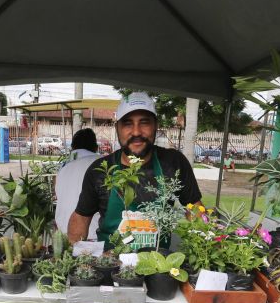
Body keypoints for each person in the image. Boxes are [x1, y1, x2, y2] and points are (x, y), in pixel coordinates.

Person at [68, 92, 202, 244]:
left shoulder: (173, 162)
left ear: (155, 126)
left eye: (144, 122)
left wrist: (206, 243)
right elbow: (81, 218)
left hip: (158, 264)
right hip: (110, 263)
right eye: (127, 123)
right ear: (117, 127)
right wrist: (74, 254)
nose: (137, 132)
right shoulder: (99, 171)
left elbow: (195, 211)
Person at [54, 128, 100, 239]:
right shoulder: (102, 163)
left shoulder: (63, 167)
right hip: (93, 237)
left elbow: (56, 194)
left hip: (63, 235)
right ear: (96, 147)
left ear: (73, 147)